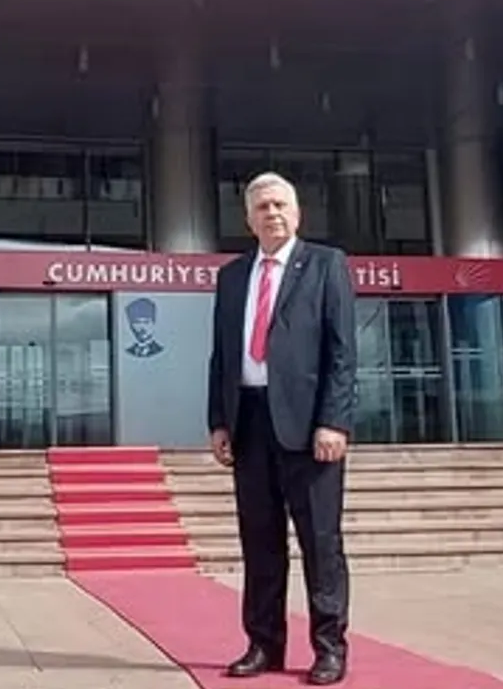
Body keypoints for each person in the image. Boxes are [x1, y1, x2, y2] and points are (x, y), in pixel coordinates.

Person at [206, 171, 356, 685]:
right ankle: (263, 645)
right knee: (260, 541)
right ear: (248, 219)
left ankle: (329, 648)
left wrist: (334, 421)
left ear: (297, 213)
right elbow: (222, 355)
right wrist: (218, 420)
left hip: (310, 427)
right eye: (262, 207)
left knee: (320, 542)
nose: (272, 213)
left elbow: (342, 353)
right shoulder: (232, 277)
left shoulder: (326, 265)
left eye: (280, 205)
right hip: (249, 423)